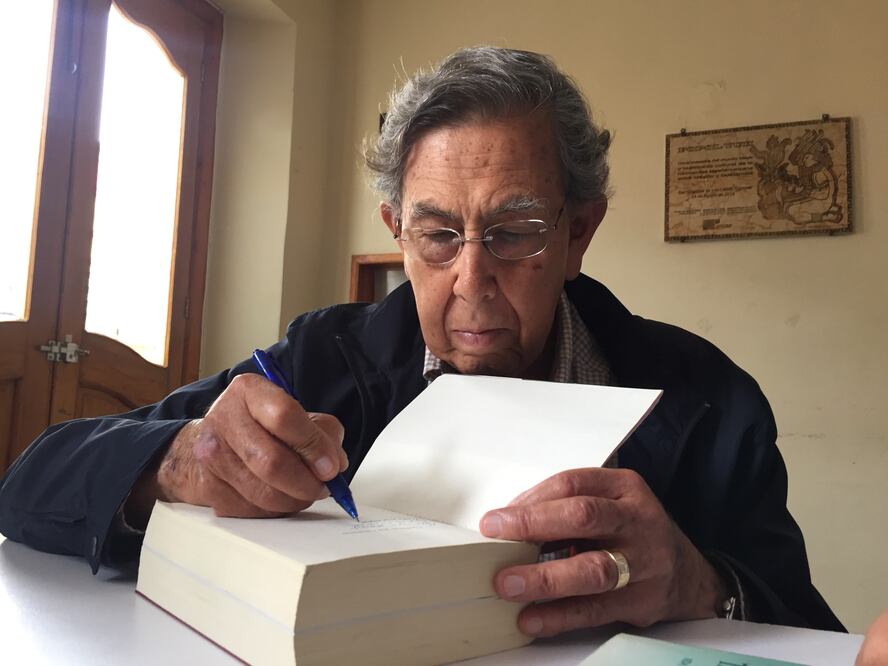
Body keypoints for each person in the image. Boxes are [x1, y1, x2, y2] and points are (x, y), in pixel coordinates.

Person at [0, 46, 842, 637]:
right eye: (438, 235)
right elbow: (30, 483)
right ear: (396, 230)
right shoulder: (323, 357)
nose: (471, 281)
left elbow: (804, 623)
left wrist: (703, 586)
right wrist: (176, 462)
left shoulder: (707, 397)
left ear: (579, 233)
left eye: (515, 233)